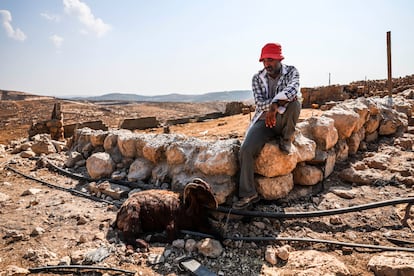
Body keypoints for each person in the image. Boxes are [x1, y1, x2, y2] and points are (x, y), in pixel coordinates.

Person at [233, 43, 301, 209]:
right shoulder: (257, 78)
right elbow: (259, 102)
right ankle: (248, 194)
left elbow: (293, 91)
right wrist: (272, 108)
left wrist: (275, 107)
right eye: (264, 60)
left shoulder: (292, 71)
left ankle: (286, 138)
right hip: (264, 121)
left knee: (296, 104)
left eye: (270, 60)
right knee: (246, 149)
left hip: (283, 119)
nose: (266, 64)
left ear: (279, 59)